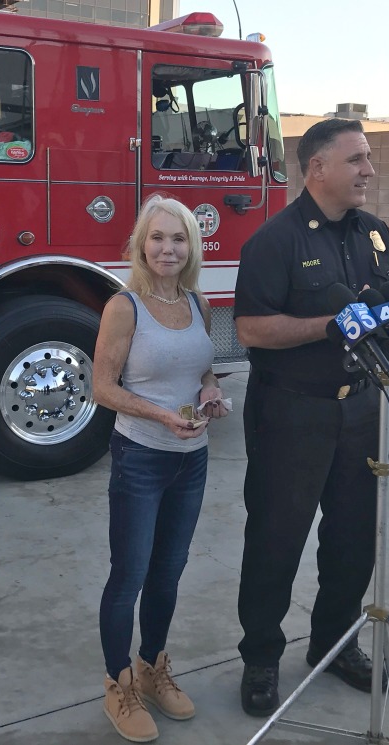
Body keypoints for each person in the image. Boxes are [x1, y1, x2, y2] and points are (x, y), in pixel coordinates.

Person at [234, 118, 389, 717]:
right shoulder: (274, 241)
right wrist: (328, 325)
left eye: (368, 159)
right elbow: (251, 329)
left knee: (354, 539)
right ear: (317, 169)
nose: (368, 170)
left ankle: (335, 646)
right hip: (291, 413)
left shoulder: (377, 234)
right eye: (356, 159)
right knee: (277, 539)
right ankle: (260, 658)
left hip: (362, 407)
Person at [94, 195, 228, 742]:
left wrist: (210, 390)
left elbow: (205, 368)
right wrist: (161, 415)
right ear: (140, 245)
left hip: (190, 461)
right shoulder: (124, 306)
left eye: (178, 239)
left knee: (168, 574)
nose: (167, 249)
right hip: (141, 458)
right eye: (157, 238)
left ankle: (151, 667)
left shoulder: (199, 303)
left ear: (191, 246)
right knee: (129, 576)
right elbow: (102, 387)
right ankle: (117, 683)